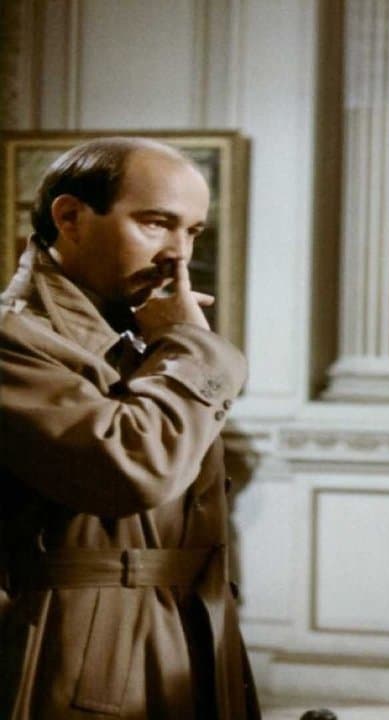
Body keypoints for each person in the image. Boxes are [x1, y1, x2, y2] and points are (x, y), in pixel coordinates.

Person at [0, 138, 258, 718]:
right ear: (70, 217)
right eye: (156, 223)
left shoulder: (140, 338)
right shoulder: (14, 339)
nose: (178, 255)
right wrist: (194, 348)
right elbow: (132, 468)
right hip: (80, 653)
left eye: (192, 231)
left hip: (181, 632)